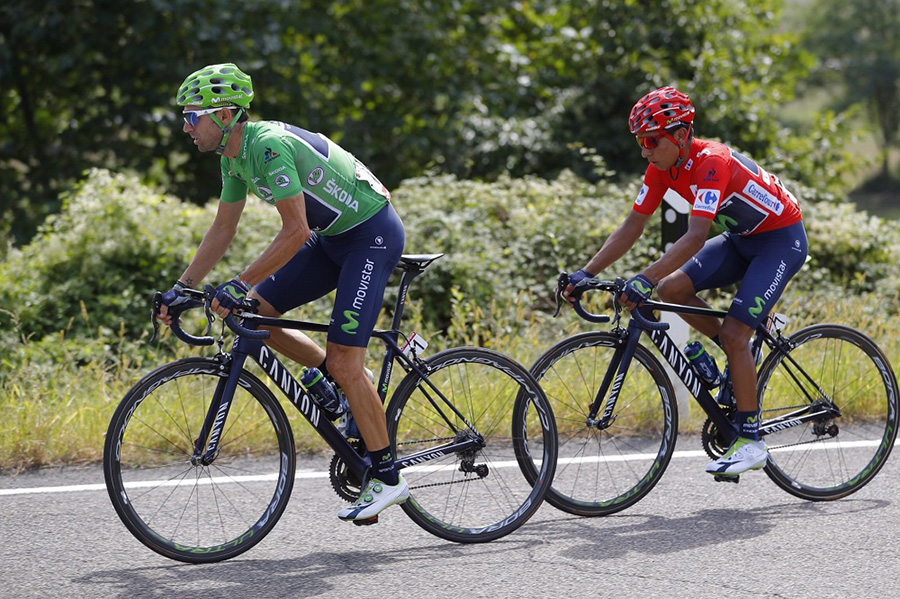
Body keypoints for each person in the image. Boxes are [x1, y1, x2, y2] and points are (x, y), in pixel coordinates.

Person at [157, 62, 409, 520]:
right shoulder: (233, 156)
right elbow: (223, 227)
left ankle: (388, 477)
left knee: (345, 359)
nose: (186, 126)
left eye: (192, 116)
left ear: (226, 114)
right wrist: (182, 288)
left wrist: (237, 282)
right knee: (253, 315)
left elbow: (294, 230)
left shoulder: (268, 147)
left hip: (370, 236)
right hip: (332, 238)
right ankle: (331, 386)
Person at [564, 86, 808, 476]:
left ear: (680, 135)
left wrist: (642, 277)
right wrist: (586, 272)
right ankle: (736, 359)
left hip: (780, 241)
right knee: (672, 288)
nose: (644, 150)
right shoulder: (662, 166)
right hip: (742, 240)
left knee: (733, 335)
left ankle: (750, 441)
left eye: (650, 140)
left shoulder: (712, 161)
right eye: (640, 142)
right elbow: (633, 225)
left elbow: (695, 236)